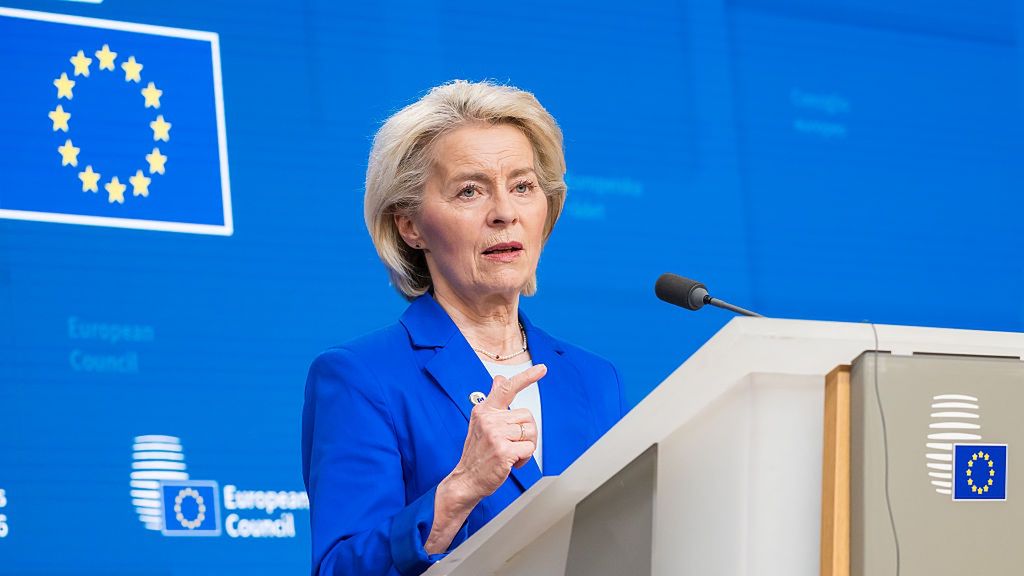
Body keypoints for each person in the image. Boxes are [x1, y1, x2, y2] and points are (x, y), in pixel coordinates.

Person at [301, 80, 627, 576]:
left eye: (522, 186)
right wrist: (461, 488)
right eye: (470, 191)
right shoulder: (361, 379)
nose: (504, 213)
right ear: (410, 224)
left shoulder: (595, 379)